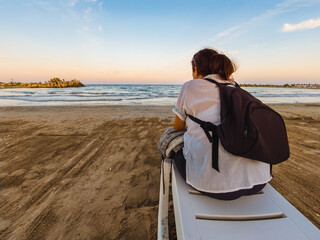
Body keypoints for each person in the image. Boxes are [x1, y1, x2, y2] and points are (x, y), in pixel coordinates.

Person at [172, 48, 272, 200]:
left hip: (211, 185)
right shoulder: (235, 88)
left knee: (172, 141)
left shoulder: (190, 86)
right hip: (259, 181)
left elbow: (178, 126)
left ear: (195, 69)